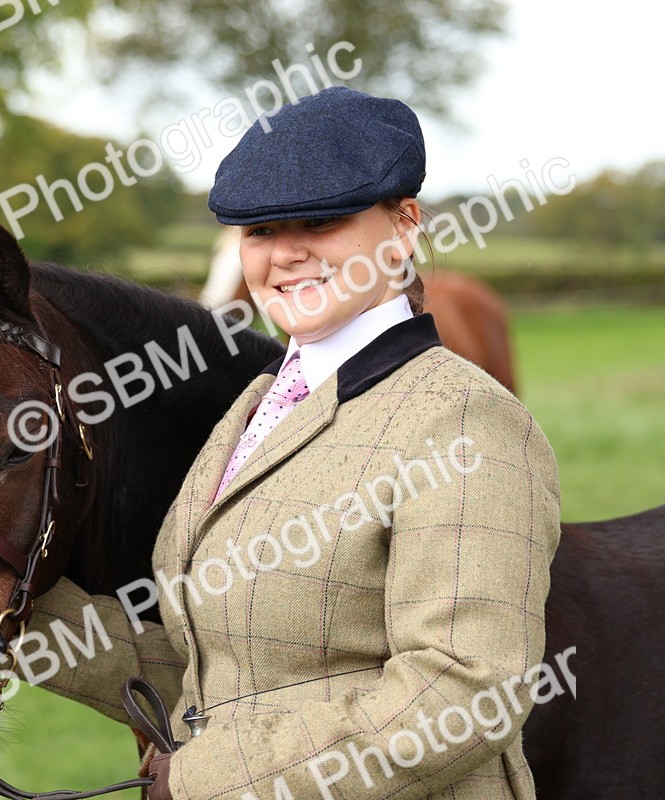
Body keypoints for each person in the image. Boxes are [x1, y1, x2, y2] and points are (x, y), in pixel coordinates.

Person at [32, 86, 561, 800]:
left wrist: (210, 779)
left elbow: (464, 691)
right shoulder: (254, 409)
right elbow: (223, 666)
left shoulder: (464, 421)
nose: (285, 256)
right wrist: (19, 623)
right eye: (258, 232)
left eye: (319, 222)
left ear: (404, 226)